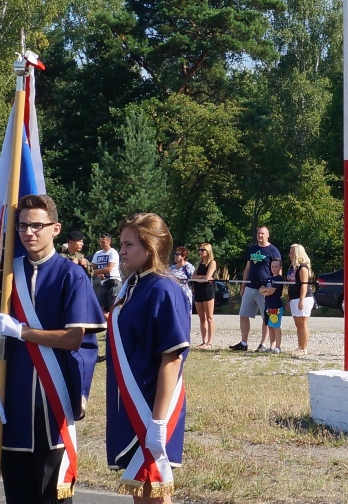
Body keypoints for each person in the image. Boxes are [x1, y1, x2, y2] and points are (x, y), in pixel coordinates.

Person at [0, 194, 106, 503]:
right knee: (17, 491)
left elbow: (73, 338)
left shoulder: (71, 274)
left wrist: (22, 331)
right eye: (22, 225)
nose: (29, 232)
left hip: (52, 399)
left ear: (55, 228)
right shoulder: (7, 274)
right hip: (13, 396)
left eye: (37, 225)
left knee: (52, 494)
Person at [107, 213, 191, 503]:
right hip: (132, 403)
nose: (122, 251)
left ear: (150, 247)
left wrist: (158, 421)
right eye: (121, 244)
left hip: (152, 408)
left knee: (154, 491)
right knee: (140, 491)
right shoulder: (134, 286)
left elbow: (172, 358)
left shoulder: (163, 288)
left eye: (129, 245)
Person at [230, 226, 279, 352]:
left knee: (265, 317)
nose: (260, 236)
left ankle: (263, 344)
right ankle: (243, 343)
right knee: (243, 314)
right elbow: (248, 267)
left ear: (268, 235)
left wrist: (274, 287)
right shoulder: (252, 249)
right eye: (258, 233)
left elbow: (278, 270)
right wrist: (243, 286)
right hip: (250, 287)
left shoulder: (273, 250)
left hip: (265, 289)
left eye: (262, 233)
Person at [287, 244, 314, 356]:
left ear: (297, 254)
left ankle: (304, 348)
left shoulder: (303, 267)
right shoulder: (292, 268)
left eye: (291, 253)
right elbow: (289, 285)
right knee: (298, 324)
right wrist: (288, 300)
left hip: (303, 298)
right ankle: (300, 346)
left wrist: (301, 299)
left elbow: (304, 284)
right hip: (294, 298)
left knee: (303, 324)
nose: (289, 255)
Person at [190, 243, 216, 350]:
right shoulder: (199, 263)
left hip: (207, 290)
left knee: (209, 317)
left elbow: (207, 278)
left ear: (208, 251)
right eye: (199, 250)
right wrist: (201, 277)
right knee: (202, 318)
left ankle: (209, 342)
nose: (200, 252)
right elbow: (192, 276)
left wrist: (201, 278)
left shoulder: (212, 263)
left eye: (202, 250)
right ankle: (203, 341)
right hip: (198, 290)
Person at [92, 232, 122, 314]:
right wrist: (98, 274)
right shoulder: (97, 253)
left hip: (114, 282)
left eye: (103, 242)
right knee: (101, 309)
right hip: (103, 283)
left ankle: (114, 321)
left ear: (109, 241)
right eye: (100, 242)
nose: (101, 244)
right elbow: (92, 267)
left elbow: (109, 269)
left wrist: (94, 272)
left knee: (113, 308)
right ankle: (108, 321)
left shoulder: (112, 252)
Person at [259, 258, 285, 354]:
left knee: (276, 326)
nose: (274, 268)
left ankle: (278, 347)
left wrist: (265, 290)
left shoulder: (279, 279)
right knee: (270, 326)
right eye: (272, 266)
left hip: (276, 306)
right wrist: (266, 290)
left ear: (280, 267)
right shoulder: (268, 278)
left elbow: (271, 291)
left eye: (276, 266)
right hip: (268, 306)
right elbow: (260, 289)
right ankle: (272, 346)